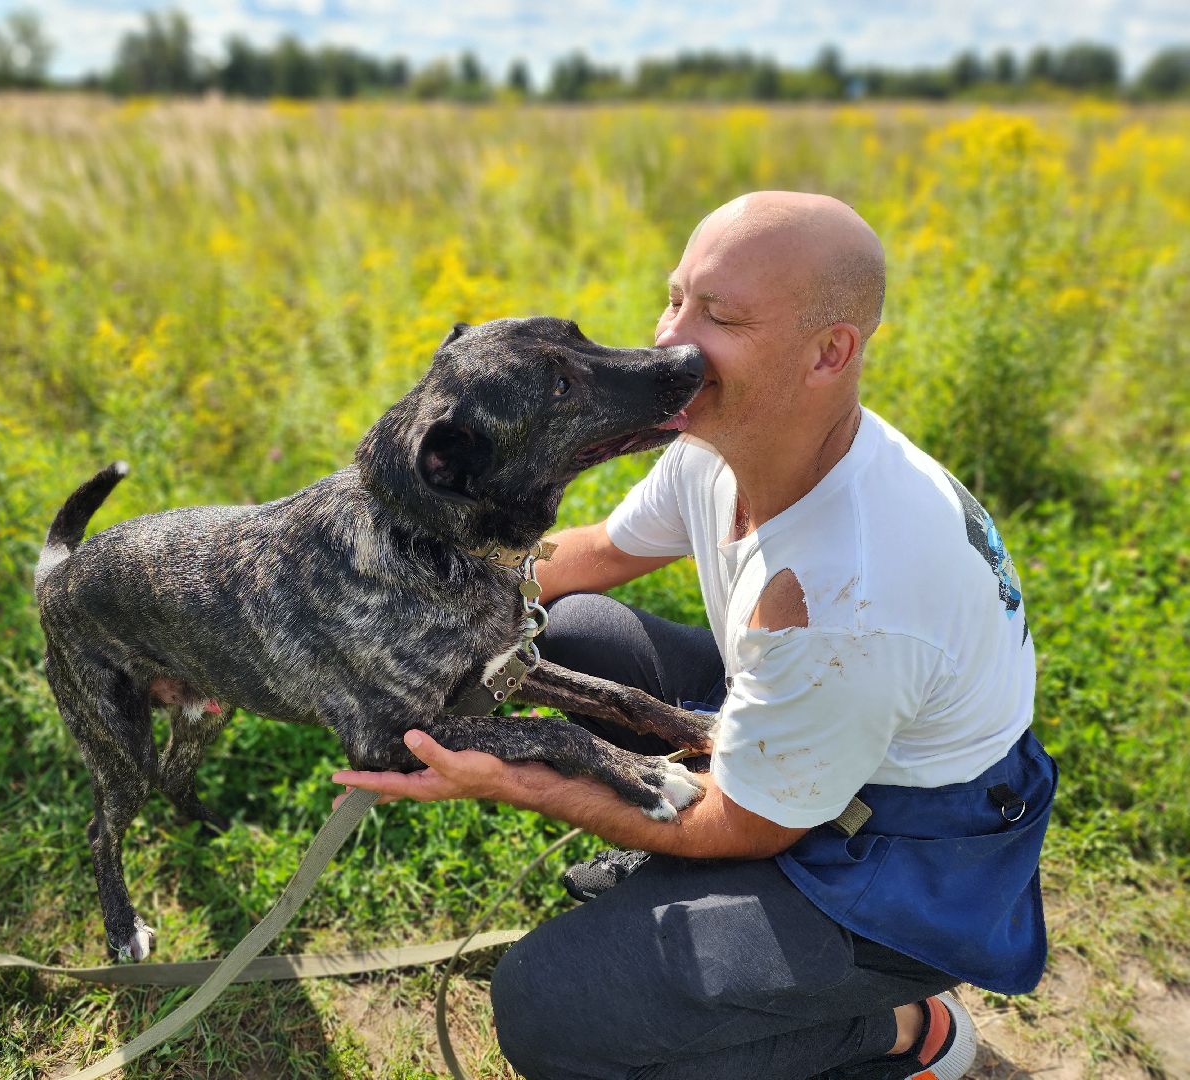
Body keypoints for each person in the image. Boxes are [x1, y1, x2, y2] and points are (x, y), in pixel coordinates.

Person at [332, 191, 1055, 1080]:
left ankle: (902, 1027)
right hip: (813, 735)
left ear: (830, 350)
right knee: (567, 634)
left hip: (905, 853)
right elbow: (588, 556)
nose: (674, 337)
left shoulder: (847, 597)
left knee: (549, 1009)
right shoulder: (728, 440)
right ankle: (698, 895)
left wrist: (515, 779)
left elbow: (744, 826)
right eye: (676, 296)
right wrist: (378, 589)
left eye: (720, 315)